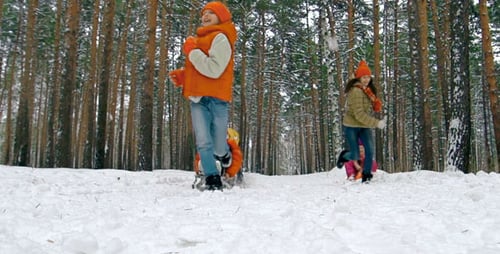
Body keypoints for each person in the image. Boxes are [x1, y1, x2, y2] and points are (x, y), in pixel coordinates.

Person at [169, 1, 237, 190]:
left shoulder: (221, 38)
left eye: (211, 13)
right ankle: (211, 176)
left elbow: (214, 70)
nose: (205, 16)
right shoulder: (198, 41)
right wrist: (184, 77)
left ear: (221, 17)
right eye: (203, 13)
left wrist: (192, 52)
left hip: (217, 98)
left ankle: (225, 154)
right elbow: (199, 70)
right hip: (198, 99)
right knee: (203, 140)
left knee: (217, 145)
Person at [336, 60, 386, 183]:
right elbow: (359, 114)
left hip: (364, 125)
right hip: (352, 125)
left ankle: (366, 175)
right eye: (364, 77)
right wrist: (376, 123)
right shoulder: (356, 91)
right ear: (359, 77)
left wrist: (376, 105)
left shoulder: (367, 90)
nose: (366, 79)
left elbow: (368, 108)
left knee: (369, 151)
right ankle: (344, 156)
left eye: (368, 77)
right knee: (355, 155)